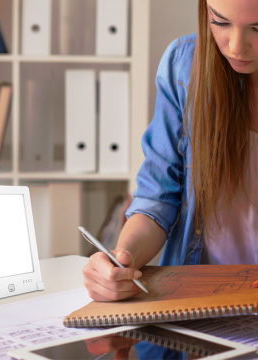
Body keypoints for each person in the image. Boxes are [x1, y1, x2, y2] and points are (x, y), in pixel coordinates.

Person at [83, 0, 258, 302]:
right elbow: (157, 200)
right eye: (220, 22)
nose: (236, 47)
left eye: (257, 28)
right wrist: (122, 260)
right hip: (199, 309)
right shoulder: (183, 65)